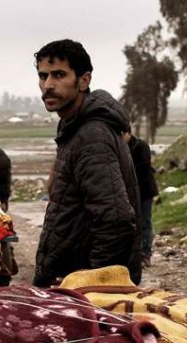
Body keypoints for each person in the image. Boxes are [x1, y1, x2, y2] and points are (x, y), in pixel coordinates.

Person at [33, 39, 141, 288]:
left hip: (81, 291)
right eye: (43, 76)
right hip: (70, 282)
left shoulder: (92, 135)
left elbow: (115, 220)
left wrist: (89, 286)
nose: (48, 85)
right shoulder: (73, 128)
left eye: (59, 75)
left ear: (83, 80)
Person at [123, 129, 158, 266]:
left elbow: (143, 168)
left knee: (144, 222)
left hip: (144, 191)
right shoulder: (120, 147)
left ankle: (145, 254)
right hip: (130, 192)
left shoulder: (141, 146)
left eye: (122, 135)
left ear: (128, 133)